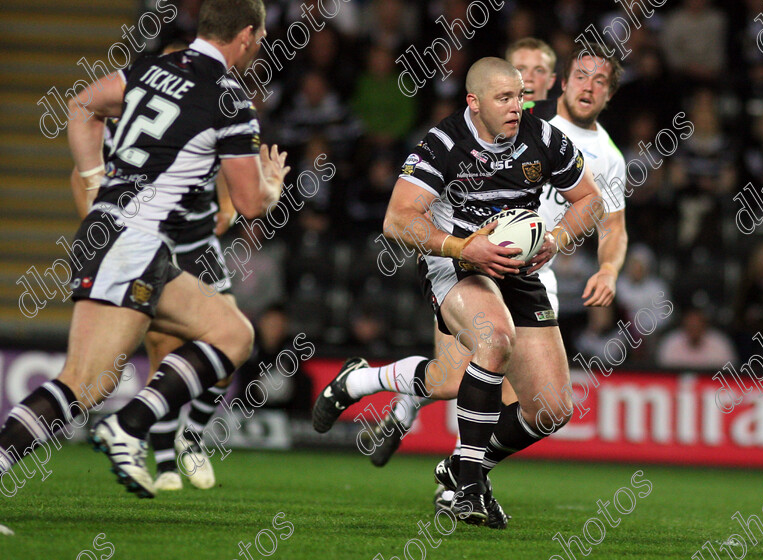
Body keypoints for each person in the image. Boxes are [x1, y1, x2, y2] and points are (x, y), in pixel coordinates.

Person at [0, 0, 289, 499]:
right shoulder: (228, 98)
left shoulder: (150, 67)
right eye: (260, 38)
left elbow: (82, 106)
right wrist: (273, 187)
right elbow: (247, 203)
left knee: (232, 333)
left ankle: (131, 425)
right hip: (131, 244)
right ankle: (130, 427)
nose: (259, 46)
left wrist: (94, 182)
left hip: (125, 239)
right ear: (245, 35)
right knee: (84, 384)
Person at [331, 39, 629, 512]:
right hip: (459, 261)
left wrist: (554, 239)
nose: (517, 105)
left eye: (520, 95)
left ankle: (460, 467)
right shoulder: (444, 142)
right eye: (505, 98)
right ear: (474, 102)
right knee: (493, 342)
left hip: (519, 269)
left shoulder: (546, 138)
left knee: (552, 409)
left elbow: (592, 202)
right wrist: (461, 246)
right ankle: (466, 488)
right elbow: (397, 218)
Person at [68, 43, 233, 493]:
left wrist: (229, 205)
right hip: (140, 243)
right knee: (107, 375)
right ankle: (158, 452)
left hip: (194, 240)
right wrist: (103, 224)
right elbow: (84, 174)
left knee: (228, 346)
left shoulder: (198, 110)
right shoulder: (126, 123)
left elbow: (223, 167)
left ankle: (185, 435)